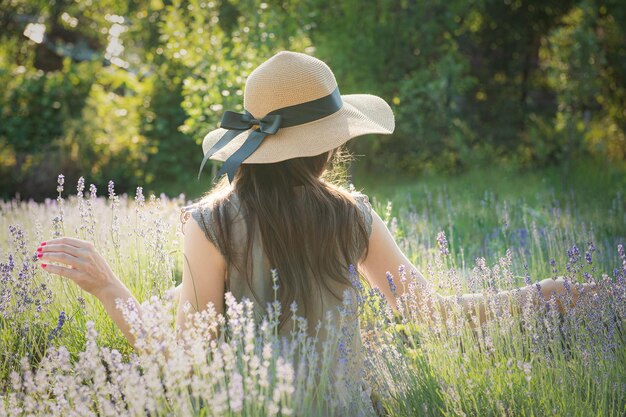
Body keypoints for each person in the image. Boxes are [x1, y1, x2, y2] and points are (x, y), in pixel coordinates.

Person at [35, 51, 594, 413]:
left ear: (253, 147)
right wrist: (537, 296)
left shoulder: (209, 223)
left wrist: (109, 287)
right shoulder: (351, 215)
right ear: (328, 144)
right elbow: (429, 312)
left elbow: (181, 348)